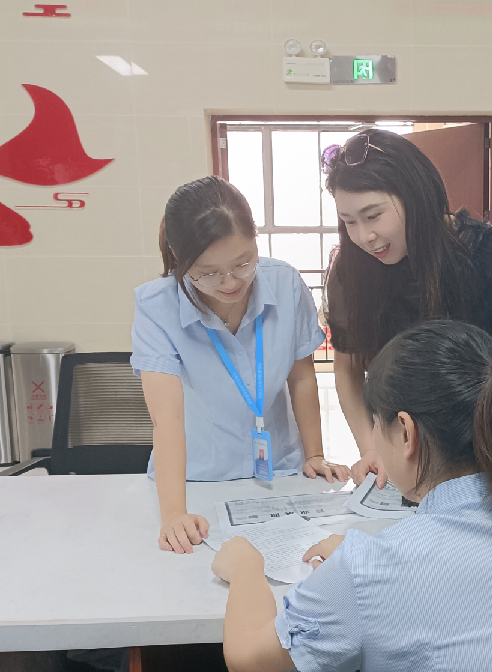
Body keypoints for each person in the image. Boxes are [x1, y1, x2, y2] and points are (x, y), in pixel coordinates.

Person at [211, 320, 492, 672]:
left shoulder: (370, 570)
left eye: (375, 423)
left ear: (406, 433)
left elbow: (249, 659)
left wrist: (247, 569)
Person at [132, 176, 350, 555]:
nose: (231, 282)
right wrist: (174, 514)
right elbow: (167, 418)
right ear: (180, 259)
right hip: (198, 478)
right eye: (208, 272)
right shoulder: (156, 307)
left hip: (281, 473)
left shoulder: (284, 282)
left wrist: (314, 454)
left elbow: (301, 376)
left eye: (243, 263)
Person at [321, 129, 492, 488]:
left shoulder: (490, 254)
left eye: (373, 216)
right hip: (397, 449)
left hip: (478, 450)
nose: (363, 237)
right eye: (349, 221)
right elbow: (347, 369)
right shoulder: (351, 269)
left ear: (416, 196)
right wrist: (372, 448)